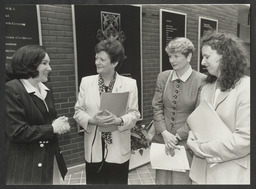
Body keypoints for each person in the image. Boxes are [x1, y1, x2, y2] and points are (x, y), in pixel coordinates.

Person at [73, 38, 140, 184]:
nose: (97, 62)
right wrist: (91, 120)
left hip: (118, 147)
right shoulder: (86, 82)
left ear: (115, 63)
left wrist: (119, 120)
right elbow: (78, 111)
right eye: (96, 58)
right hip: (93, 147)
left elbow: (134, 113)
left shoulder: (129, 84)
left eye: (102, 59)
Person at [187, 31, 250, 184]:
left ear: (225, 56)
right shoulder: (207, 87)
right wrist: (191, 137)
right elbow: (199, 124)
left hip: (229, 173)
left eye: (207, 57)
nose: (202, 62)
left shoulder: (246, 88)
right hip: (201, 173)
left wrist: (202, 148)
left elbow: (245, 140)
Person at [5, 45, 70, 185]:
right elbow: (16, 132)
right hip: (27, 166)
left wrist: (59, 123)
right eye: (45, 63)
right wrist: (52, 128)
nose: (50, 68)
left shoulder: (45, 88)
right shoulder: (11, 89)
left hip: (49, 159)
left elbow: (46, 120)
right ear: (30, 64)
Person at [152, 37, 205, 184]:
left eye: (176, 56)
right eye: (170, 56)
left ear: (188, 57)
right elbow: (157, 106)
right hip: (163, 140)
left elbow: (198, 115)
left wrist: (175, 137)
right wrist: (164, 133)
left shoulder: (202, 80)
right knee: (161, 182)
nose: (172, 60)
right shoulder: (163, 77)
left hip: (184, 143)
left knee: (181, 182)